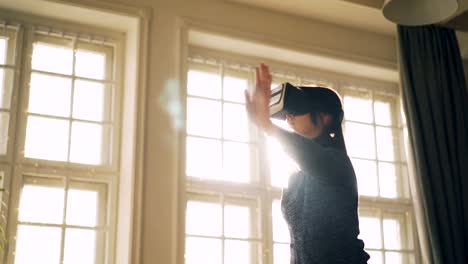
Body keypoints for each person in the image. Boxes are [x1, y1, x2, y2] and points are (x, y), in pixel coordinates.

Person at [245, 63, 370, 264]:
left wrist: (267, 125)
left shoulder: (337, 163)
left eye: (297, 109)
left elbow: (314, 159)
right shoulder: (296, 174)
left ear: (324, 117)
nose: (289, 117)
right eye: (287, 113)